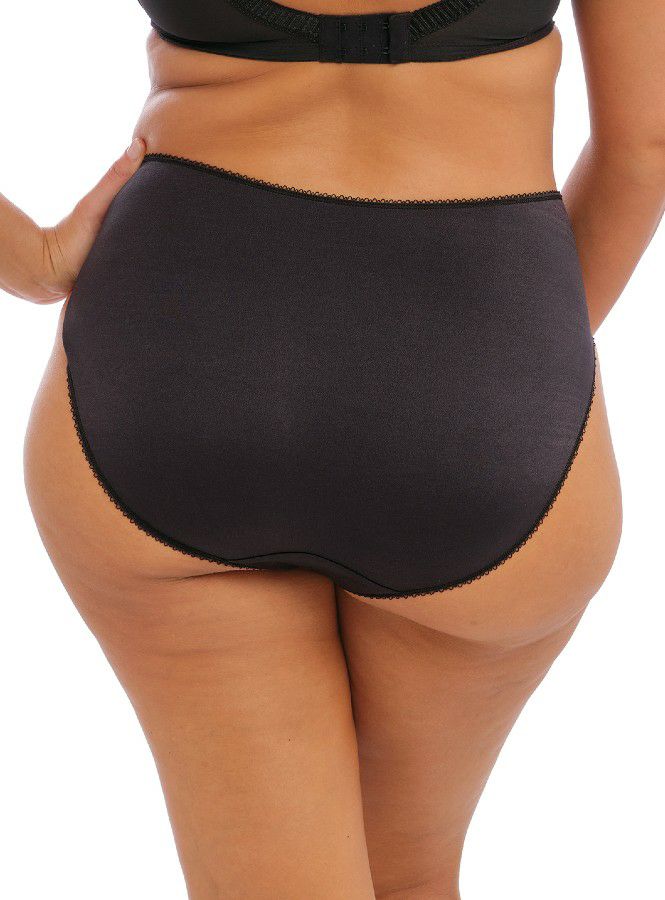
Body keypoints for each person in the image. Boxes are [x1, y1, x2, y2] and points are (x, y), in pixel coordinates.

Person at [2, 0, 663, 896]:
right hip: (476, 371)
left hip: (177, 353)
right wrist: (502, 372)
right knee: (410, 877)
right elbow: (644, 146)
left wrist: (35, 260)